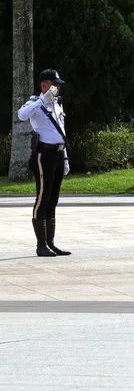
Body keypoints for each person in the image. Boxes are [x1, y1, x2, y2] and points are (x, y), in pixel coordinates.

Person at [17, 69, 71, 257]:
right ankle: (41, 245)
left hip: (57, 154)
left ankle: (50, 243)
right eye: (53, 84)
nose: (56, 87)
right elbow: (21, 115)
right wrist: (42, 100)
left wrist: (65, 158)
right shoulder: (35, 102)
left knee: (53, 199)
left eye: (57, 84)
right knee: (43, 198)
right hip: (44, 155)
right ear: (44, 85)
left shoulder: (57, 104)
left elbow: (61, 131)